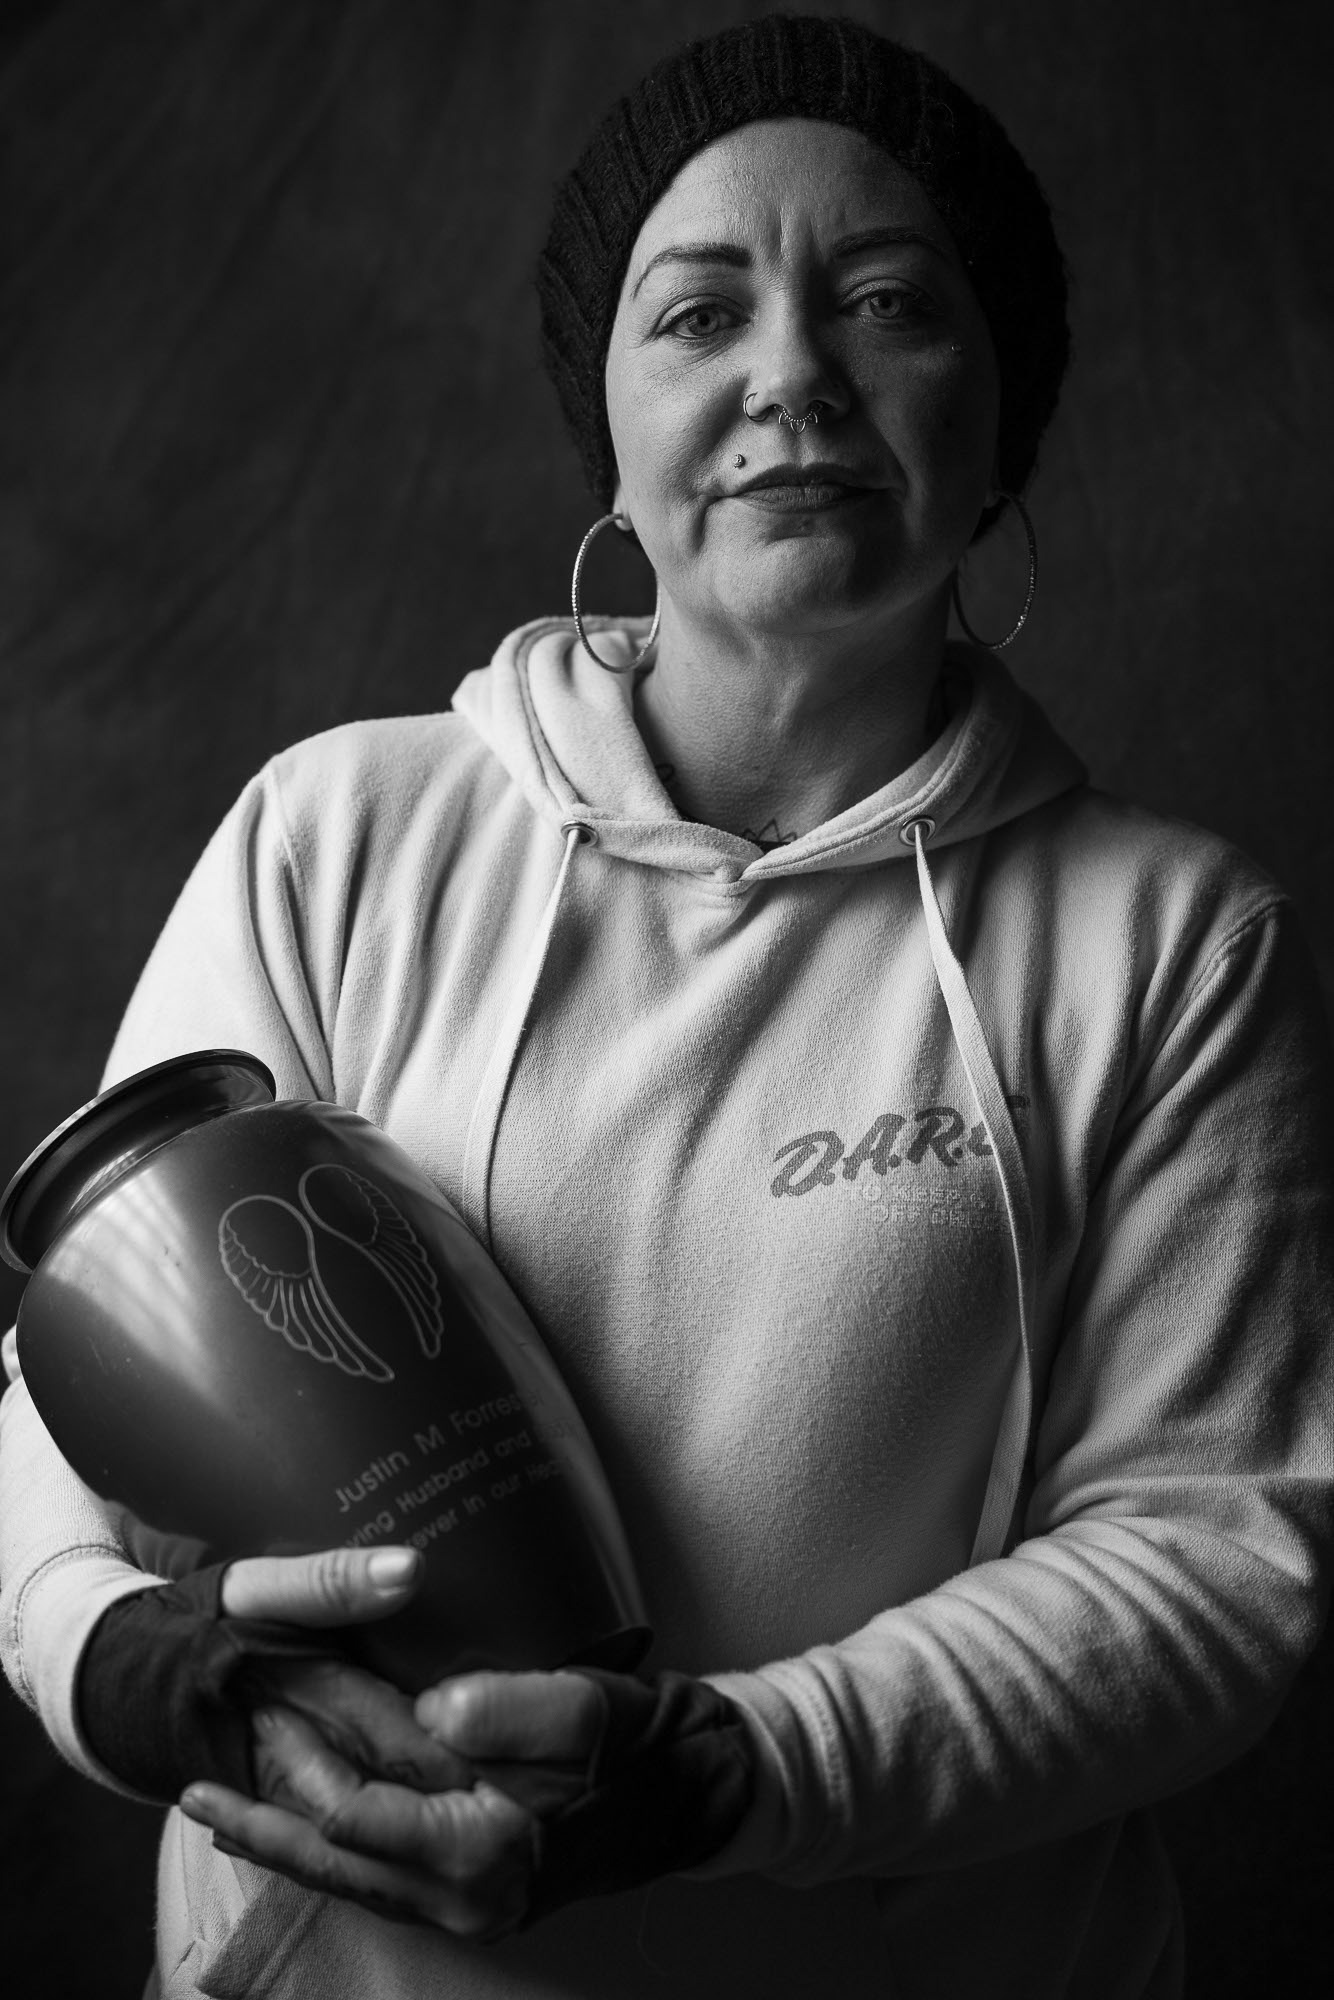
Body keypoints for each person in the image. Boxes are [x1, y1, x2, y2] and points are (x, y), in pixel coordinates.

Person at [2, 15, 1332, 1999]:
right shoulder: (339, 832)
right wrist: (134, 1667)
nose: (792, 376)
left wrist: (733, 1769)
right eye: (694, 313)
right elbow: (74, 1372)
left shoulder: (1171, 940)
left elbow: (1210, 1549)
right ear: (605, 424)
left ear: (1001, 408)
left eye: (888, 301)